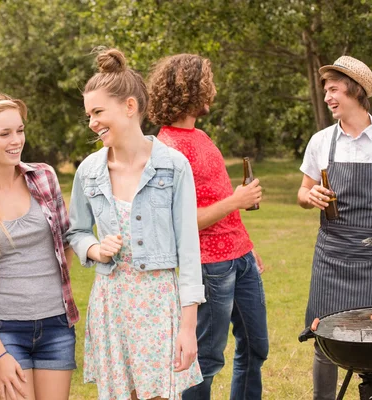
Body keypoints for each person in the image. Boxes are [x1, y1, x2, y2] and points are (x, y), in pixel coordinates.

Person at [66, 48, 204, 400]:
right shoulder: (89, 172)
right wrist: (95, 248)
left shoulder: (173, 167)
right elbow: (77, 231)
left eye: (98, 112)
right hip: (112, 303)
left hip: (159, 302)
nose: (93, 122)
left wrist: (188, 329)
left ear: (129, 107)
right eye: (89, 115)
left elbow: (189, 252)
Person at [147, 54, 269, 400]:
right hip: (208, 266)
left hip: (240, 258)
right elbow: (178, 222)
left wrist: (246, 244)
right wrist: (238, 200)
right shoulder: (166, 149)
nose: (212, 89)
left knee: (256, 347)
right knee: (206, 360)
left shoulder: (200, 136)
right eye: (208, 81)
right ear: (192, 88)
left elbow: (216, 194)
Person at [297, 55, 372, 399]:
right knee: (324, 340)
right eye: (326, 90)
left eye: (334, 89)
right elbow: (302, 192)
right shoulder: (321, 141)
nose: (328, 96)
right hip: (330, 256)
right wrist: (308, 194)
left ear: (355, 91)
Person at [0, 94, 79, 400]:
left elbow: (66, 241)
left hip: (56, 324)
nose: (17, 140)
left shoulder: (44, 177)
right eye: (5, 133)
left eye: (20, 130)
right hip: (4, 330)